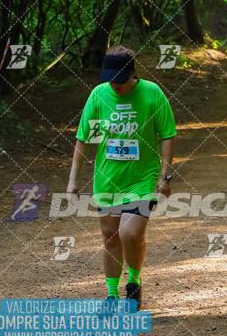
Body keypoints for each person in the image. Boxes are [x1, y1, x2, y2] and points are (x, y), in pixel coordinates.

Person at [67, 46, 177, 309]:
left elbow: (167, 135)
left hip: (143, 178)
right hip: (108, 178)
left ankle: (134, 281)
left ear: (133, 72)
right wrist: (72, 181)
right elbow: (82, 139)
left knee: (129, 232)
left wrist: (165, 176)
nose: (115, 84)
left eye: (121, 78)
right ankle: (111, 295)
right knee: (110, 236)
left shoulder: (152, 94)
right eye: (111, 78)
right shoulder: (99, 95)